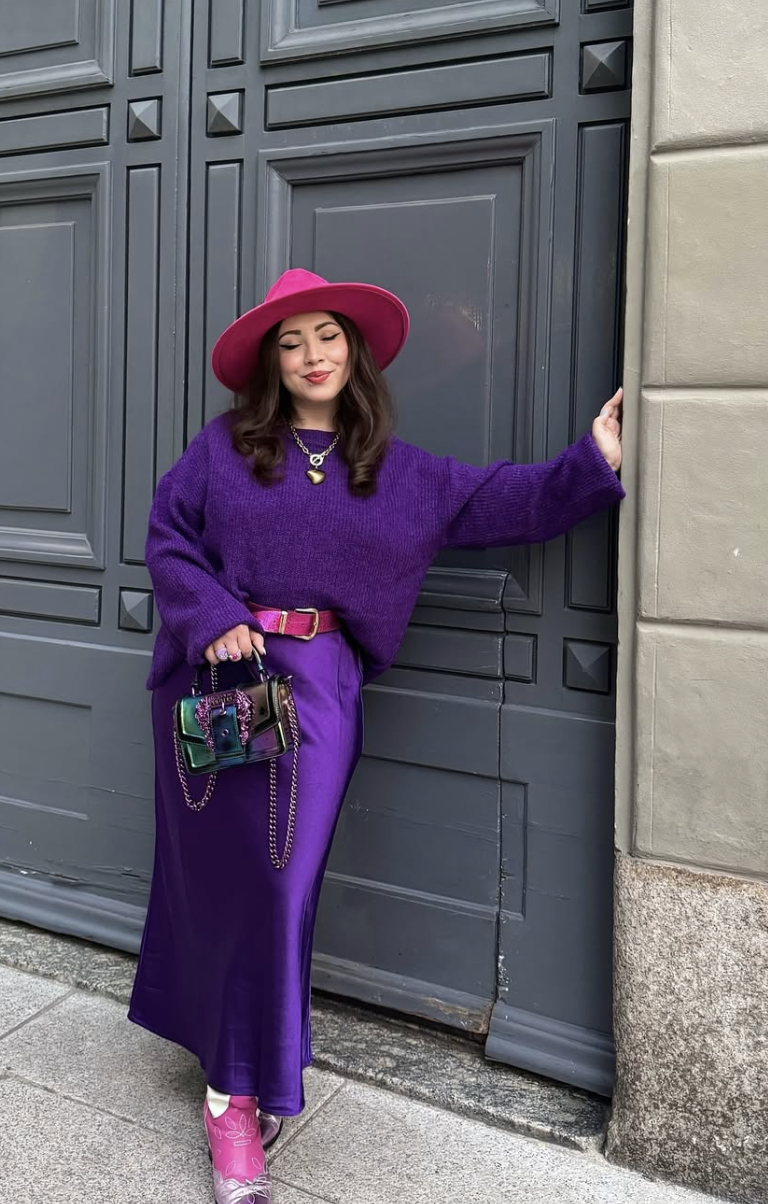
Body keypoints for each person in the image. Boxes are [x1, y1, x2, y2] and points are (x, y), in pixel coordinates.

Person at [128, 268, 624, 1203]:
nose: (312, 355)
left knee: (280, 884)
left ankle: (243, 1081)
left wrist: (592, 461)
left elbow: (507, 501)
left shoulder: (401, 473)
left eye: (327, 336)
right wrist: (207, 614)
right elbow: (167, 536)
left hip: (315, 691)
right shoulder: (225, 449)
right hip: (222, 677)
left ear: (352, 350)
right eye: (291, 341)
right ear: (271, 363)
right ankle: (232, 1093)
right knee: (222, 881)